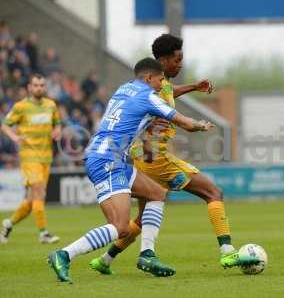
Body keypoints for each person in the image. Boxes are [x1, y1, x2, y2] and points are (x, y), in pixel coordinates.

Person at [89, 34, 259, 275]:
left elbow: (169, 91)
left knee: (143, 217)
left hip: (143, 158)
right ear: (162, 61)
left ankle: (105, 259)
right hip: (156, 158)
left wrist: (193, 87)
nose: (180, 64)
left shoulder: (159, 86)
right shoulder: (151, 92)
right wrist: (198, 125)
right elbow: (168, 110)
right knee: (213, 192)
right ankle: (227, 252)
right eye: (177, 60)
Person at [47, 57, 216, 283]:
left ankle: (147, 255)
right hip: (107, 159)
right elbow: (184, 122)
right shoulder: (148, 96)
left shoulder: (124, 88)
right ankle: (64, 255)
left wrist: (192, 87)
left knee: (156, 193)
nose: (161, 85)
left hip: (113, 157)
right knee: (120, 227)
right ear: (148, 78)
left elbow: (157, 101)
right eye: (159, 80)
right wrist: (202, 125)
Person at [0, 73, 61, 244]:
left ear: (45, 87)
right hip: (29, 157)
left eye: (42, 85)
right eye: (36, 85)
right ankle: (44, 233)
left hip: (46, 157)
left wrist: (57, 130)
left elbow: (57, 123)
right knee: (39, 194)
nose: (39, 88)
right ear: (29, 87)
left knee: (31, 200)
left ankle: (8, 224)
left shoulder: (51, 105)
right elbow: (5, 125)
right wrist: (14, 137)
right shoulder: (21, 106)